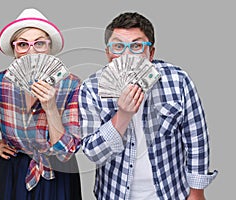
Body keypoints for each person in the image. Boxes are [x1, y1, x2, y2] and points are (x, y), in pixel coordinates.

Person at [78, 11, 218, 200]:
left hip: (171, 192)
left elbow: (196, 137)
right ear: (108, 53)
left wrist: (196, 191)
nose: (126, 54)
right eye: (118, 46)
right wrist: (123, 115)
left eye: (136, 46)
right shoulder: (91, 89)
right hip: (114, 193)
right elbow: (93, 153)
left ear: (150, 53)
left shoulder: (178, 80)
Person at [0, 8, 82, 200]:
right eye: (23, 44)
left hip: (58, 171)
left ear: (49, 47)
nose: (32, 51)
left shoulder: (71, 85)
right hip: (14, 170)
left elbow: (64, 153)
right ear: (14, 50)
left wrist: (50, 107)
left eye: (39, 43)